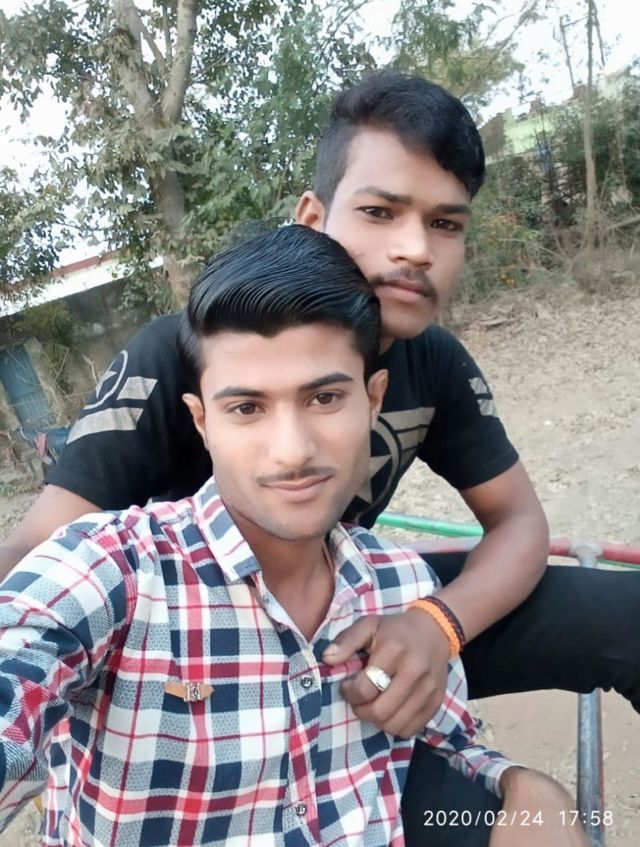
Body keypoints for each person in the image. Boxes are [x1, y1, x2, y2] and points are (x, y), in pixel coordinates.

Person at [1, 70, 638, 829]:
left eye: (445, 223)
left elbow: (519, 522)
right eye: (379, 211)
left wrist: (437, 625)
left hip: (353, 626)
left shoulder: (433, 366)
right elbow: (41, 570)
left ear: (372, 396)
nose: (414, 249)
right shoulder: (189, 354)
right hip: (182, 660)